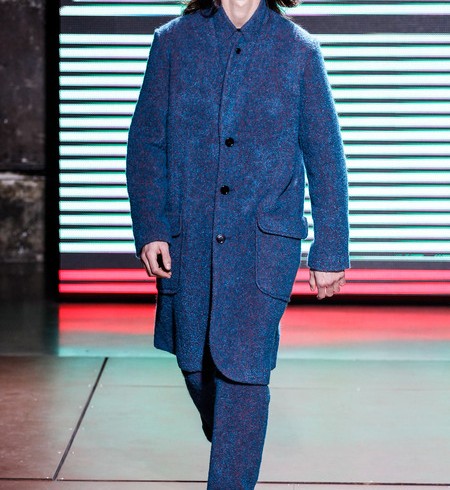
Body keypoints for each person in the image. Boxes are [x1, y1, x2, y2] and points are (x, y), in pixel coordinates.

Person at [126, 0, 350, 486]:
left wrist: (331, 248)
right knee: (196, 367)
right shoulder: (173, 42)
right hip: (189, 241)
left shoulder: (298, 50)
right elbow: (146, 143)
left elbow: (325, 156)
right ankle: (233, 437)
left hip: (262, 246)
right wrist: (152, 227)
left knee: (244, 374)